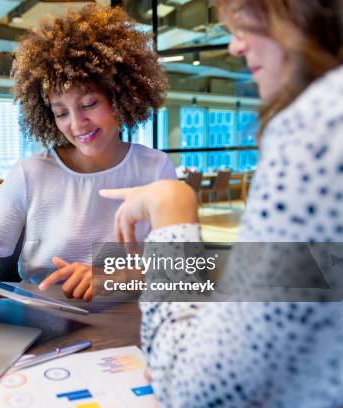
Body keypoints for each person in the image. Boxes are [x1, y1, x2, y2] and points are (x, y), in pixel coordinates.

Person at [99, 0, 343, 406]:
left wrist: (170, 209)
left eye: (246, 20)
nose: (234, 46)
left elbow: (200, 389)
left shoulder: (318, 128)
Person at [0, 4, 174, 302]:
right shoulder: (31, 174)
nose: (76, 124)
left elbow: (177, 265)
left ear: (121, 97)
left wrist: (114, 277)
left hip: (129, 319)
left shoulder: (154, 168)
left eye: (89, 104)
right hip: (43, 319)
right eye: (61, 112)